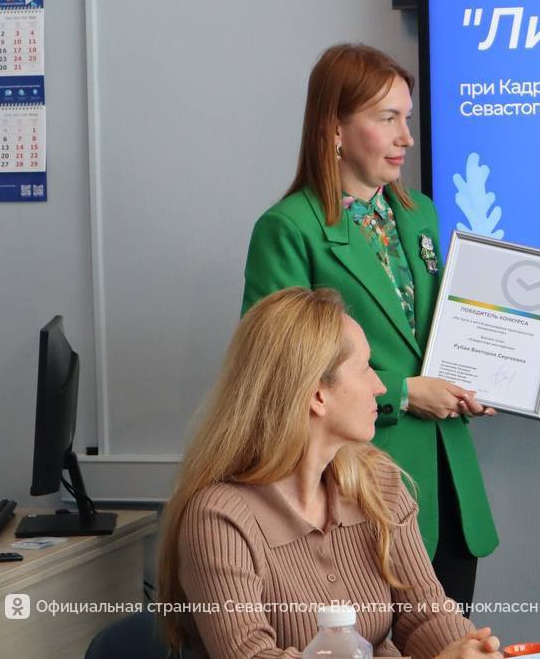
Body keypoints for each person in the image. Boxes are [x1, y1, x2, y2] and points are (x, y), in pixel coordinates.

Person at [242, 44, 497, 607]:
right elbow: (280, 375)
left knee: (451, 637)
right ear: (334, 128)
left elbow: (431, 336)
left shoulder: (419, 213)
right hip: (357, 488)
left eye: (406, 117)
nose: (407, 137)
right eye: (387, 119)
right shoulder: (288, 229)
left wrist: (478, 375)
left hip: (450, 485)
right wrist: (404, 393)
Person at [157, 287, 503, 659]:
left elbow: (424, 612)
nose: (380, 386)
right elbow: (252, 655)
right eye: (365, 368)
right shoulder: (219, 518)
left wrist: (464, 648)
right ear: (317, 395)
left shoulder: (378, 482)